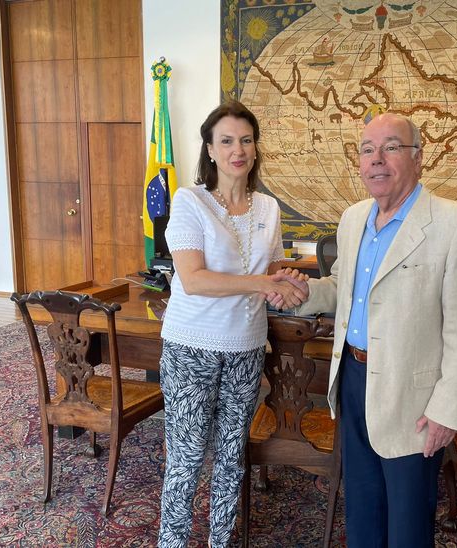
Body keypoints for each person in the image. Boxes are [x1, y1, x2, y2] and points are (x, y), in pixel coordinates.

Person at [277, 113, 457, 547]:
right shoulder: (353, 218)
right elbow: (342, 288)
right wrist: (302, 293)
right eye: (367, 149)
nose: (377, 159)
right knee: (362, 509)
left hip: (413, 397)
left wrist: (448, 410)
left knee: (407, 525)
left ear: (417, 157)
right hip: (352, 381)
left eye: (391, 147)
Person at [158, 101, 307, 548]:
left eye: (245, 140)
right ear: (210, 149)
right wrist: (262, 283)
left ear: (255, 148)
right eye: (226, 141)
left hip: (246, 348)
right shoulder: (190, 201)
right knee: (186, 460)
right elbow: (193, 279)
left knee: (230, 459)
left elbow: (272, 269)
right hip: (191, 348)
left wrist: (288, 282)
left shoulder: (269, 207)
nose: (237, 150)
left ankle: (219, 542)